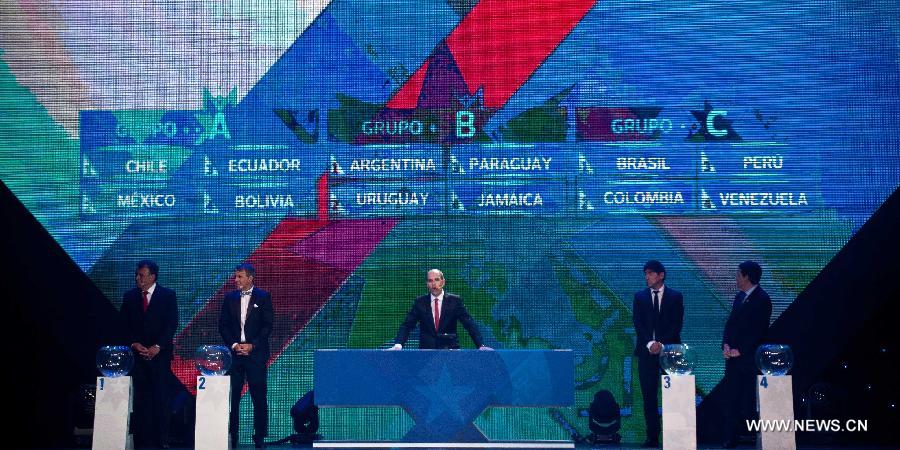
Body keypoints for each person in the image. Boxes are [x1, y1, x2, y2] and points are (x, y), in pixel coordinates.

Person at [120, 259, 178, 448]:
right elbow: (123, 325)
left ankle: (162, 440)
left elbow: (171, 325)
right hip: (137, 357)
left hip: (159, 357)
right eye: (137, 275)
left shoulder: (168, 295)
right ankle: (141, 441)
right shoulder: (129, 297)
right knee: (141, 401)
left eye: (142, 275)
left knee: (161, 399)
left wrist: (158, 347)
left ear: (152, 276)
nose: (138, 278)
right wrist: (134, 343)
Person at [219, 263, 273, 448]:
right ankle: (232, 435)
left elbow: (267, 326)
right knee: (233, 396)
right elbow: (223, 326)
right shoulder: (229, 298)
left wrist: (252, 345)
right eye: (236, 277)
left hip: (256, 355)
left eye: (240, 277)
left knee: (258, 395)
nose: (236, 280)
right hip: (235, 355)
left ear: (250, 278)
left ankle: (259, 436)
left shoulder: (263, 297)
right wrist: (234, 345)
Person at [632, 260, 684, 448]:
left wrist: (661, 343)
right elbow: (638, 324)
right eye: (645, 273)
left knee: (674, 395)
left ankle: (675, 435)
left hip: (670, 351)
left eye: (650, 273)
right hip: (646, 353)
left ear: (661, 275)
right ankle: (652, 436)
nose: (647, 277)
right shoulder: (640, 297)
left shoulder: (675, 297)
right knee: (649, 395)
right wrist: (650, 343)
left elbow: (676, 325)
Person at [721, 260, 772, 448]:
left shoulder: (762, 299)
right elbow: (730, 324)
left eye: (738, 274)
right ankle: (729, 438)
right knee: (731, 398)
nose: (736, 278)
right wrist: (725, 344)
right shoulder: (739, 297)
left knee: (749, 400)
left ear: (747, 277)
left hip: (749, 360)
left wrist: (740, 350)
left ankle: (756, 436)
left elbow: (759, 331)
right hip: (732, 359)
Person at [391, 269, 490, 350]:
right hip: (427, 352)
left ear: (443, 282)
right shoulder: (420, 302)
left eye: (437, 279)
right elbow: (407, 325)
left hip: (450, 350)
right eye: (430, 281)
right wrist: (398, 344)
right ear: (427, 284)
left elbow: (469, 324)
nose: (434, 283)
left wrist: (480, 345)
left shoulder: (455, 301)